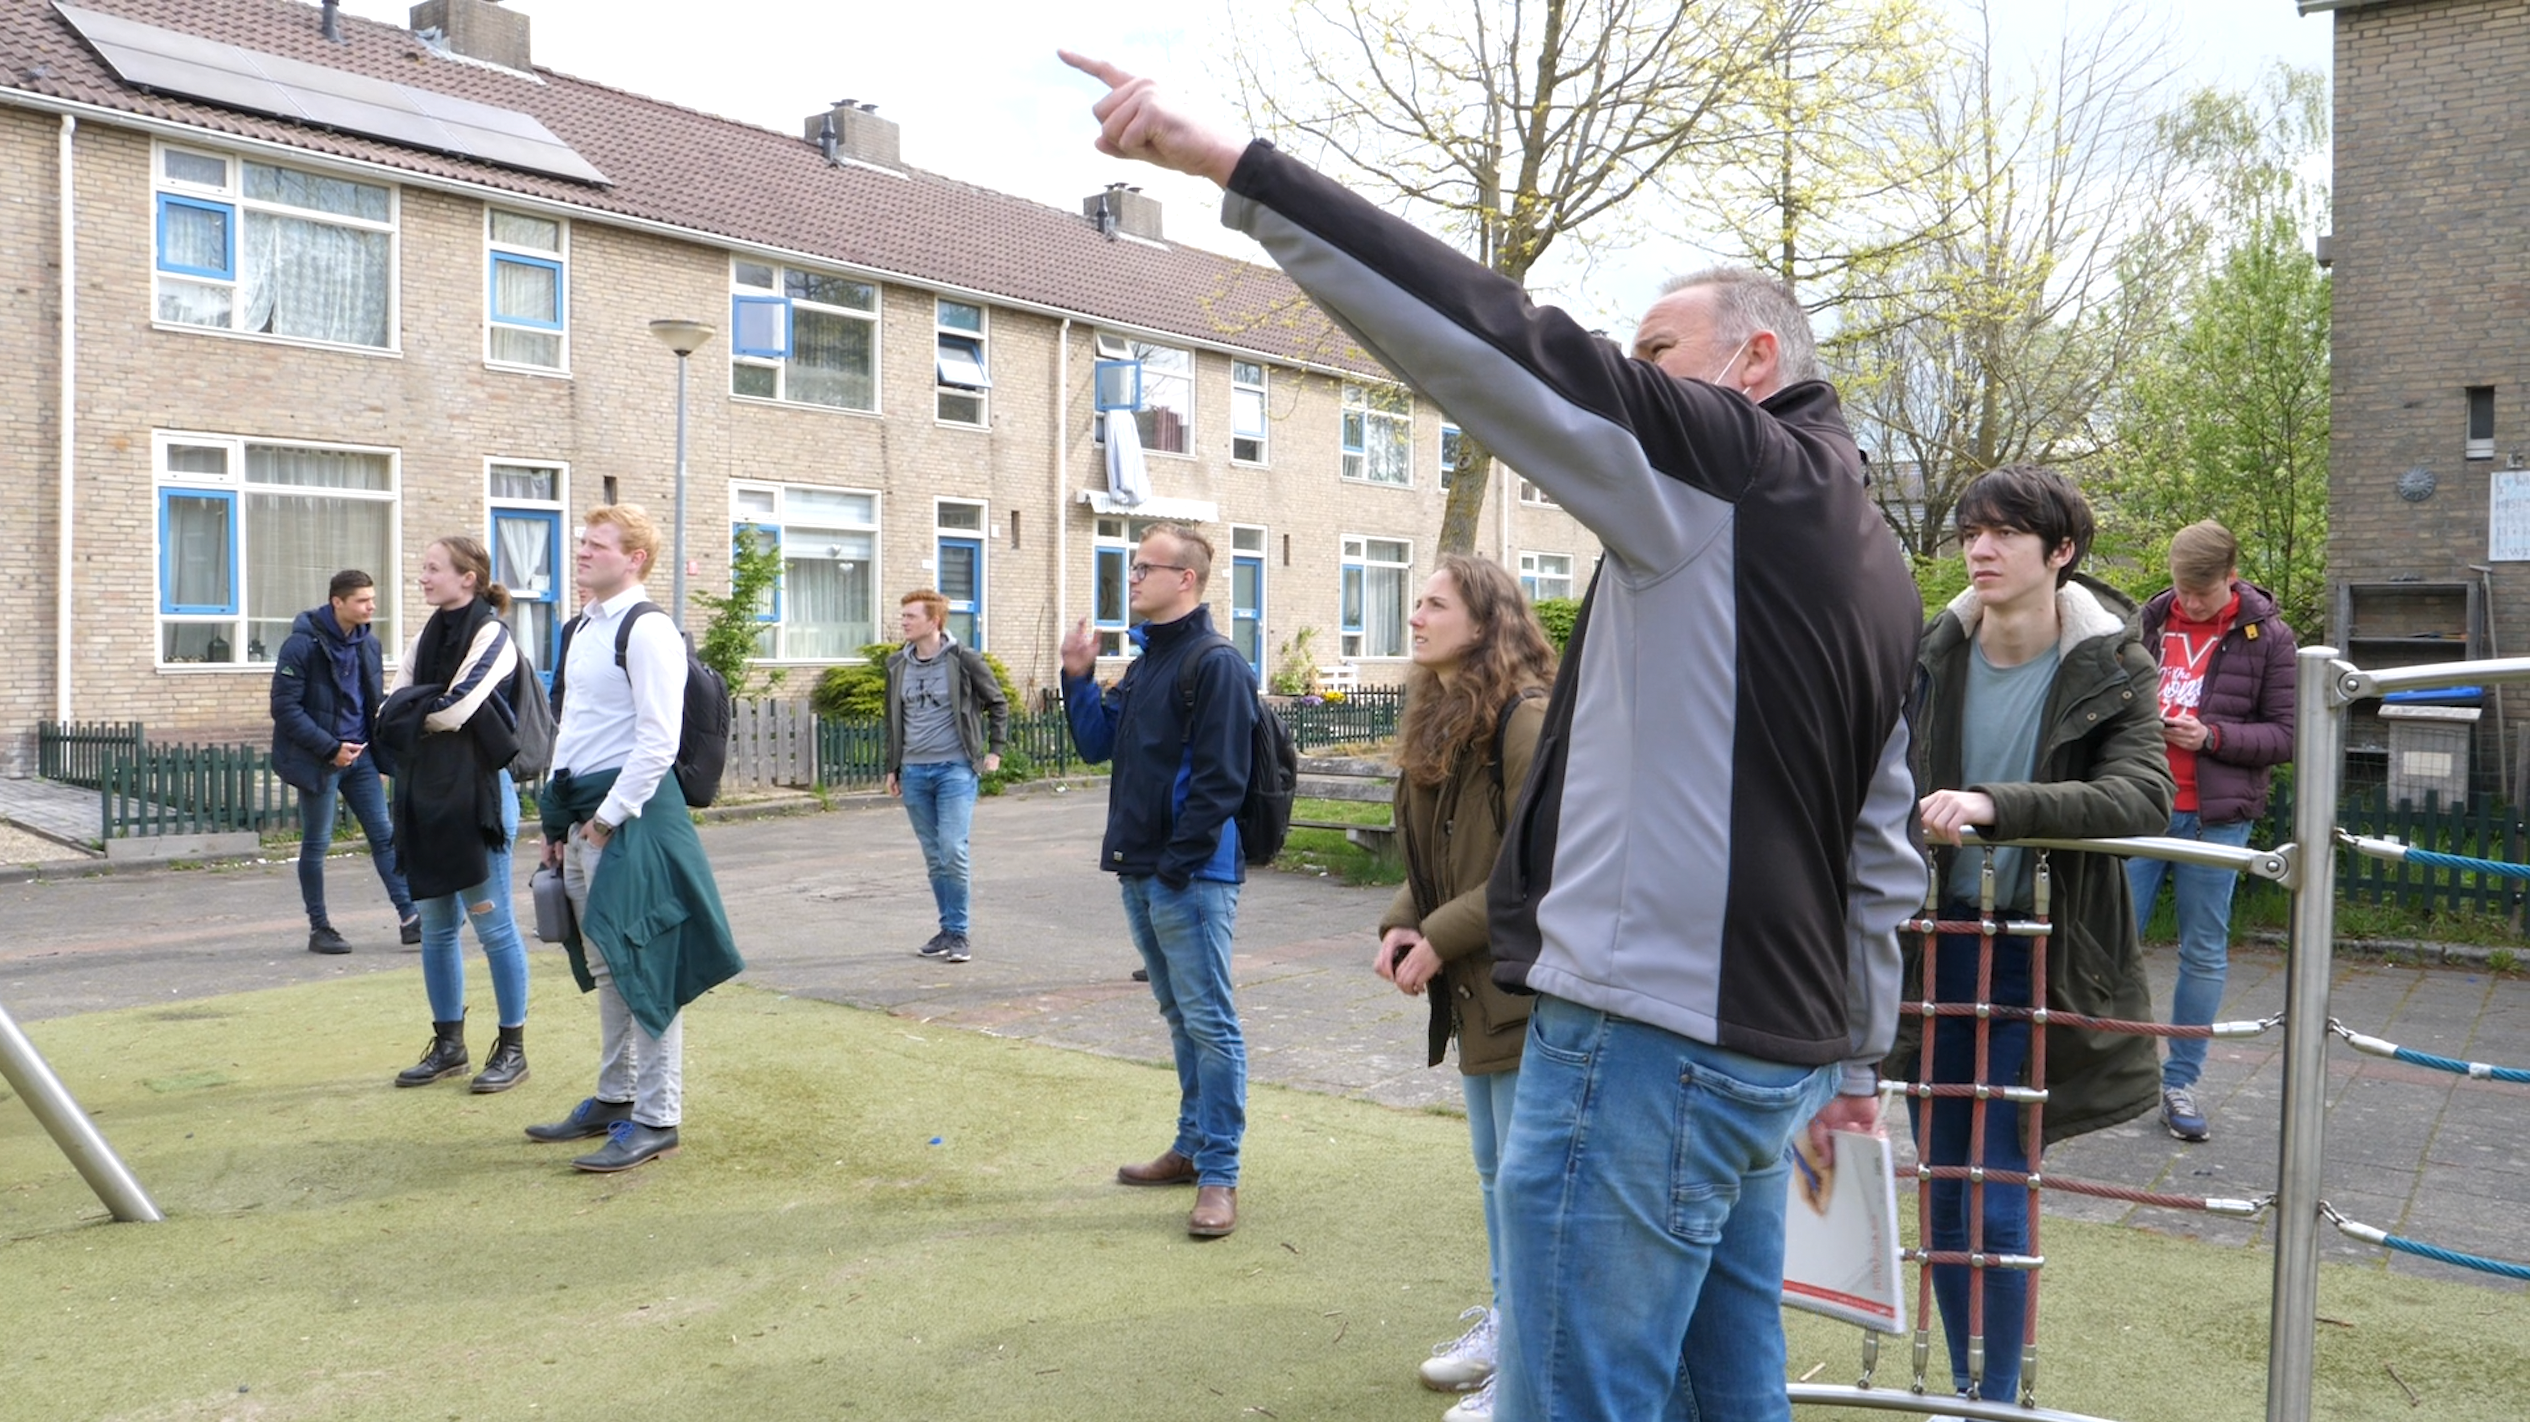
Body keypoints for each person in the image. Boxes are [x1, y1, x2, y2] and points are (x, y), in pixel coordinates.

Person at [1057, 54, 1924, 1420]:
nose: (1636, 387)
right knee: (1724, 1392)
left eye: (1660, 358)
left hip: (1648, 1042)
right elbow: (1877, 838)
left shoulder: (1731, 473)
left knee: (1572, 1394)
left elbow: (1507, 347)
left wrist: (1238, 169)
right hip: (1772, 1049)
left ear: (1751, 364)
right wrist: (1851, 1049)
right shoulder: (1867, 556)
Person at [1900, 466, 2174, 1408]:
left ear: (2061, 553)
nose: (1981, 548)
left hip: (2038, 948)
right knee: (1941, 1178)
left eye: (2007, 533)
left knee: (2000, 1183)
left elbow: (2145, 794)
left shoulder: (2110, 659)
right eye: (1973, 531)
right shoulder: (1932, 650)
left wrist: (1995, 805)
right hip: (1929, 943)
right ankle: (1965, 1383)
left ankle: (1999, 1391)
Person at [1373, 555, 1553, 1422]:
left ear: (1484, 623)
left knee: (1527, 1186)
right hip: (1481, 986)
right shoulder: (1445, 711)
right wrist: (1406, 917)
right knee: (1496, 1174)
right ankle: (1508, 1329)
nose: (1415, 616)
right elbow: (1435, 847)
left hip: (1524, 984)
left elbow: (1537, 865)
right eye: (1417, 601)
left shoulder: (1525, 722)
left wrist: (1438, 938)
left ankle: (1526, 1368)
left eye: (1434, 604)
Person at [528, 505, 743, 1173]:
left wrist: (608, 818)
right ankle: (616, 1097)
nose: (583, 552)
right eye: (583, 543)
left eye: (597, 545)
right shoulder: (584, 626)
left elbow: (658, 740)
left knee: (647, 965)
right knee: (606, 965)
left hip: (631, 819)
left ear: (636, 559)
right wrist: (557, 822)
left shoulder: (647, 631)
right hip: (584, 816)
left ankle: (657, 1116)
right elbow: (574, 729)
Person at [1059, 522, 1256, 1240]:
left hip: (1190, 877)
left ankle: (1220, 1176)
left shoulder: (1216, 663)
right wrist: (1078, 675)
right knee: (1180, 1018)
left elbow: (1222, 781)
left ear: (1188, 580)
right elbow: (1095, 745)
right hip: (1141, 870)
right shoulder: (1147, 663)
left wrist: (1177, 864)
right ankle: (1190, 1145)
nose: (1133, 577)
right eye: (1132, 566)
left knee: (1211, 1024)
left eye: (1146, 567)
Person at [2126, 519, 2297, 1143]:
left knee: (2202, 949)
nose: (2188, 604)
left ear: (2231, 577)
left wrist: (2213, 737)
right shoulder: (2150, 621)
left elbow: (2287, 735)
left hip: (2218, 816)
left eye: (2200, 595)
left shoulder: (2270, 638)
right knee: (2113, 942)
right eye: (2181, 592)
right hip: (2142, 804)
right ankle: (2110, 1070)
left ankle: (2181, 1081)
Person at [374, 536, 533, 1095]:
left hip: (478, 800)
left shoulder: (493, 633)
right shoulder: (424, 636)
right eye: (422, 567)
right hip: (423, 796)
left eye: (432, 568)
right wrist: (418, 708)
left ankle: (512, 1050)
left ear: (468, 578)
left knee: (494, 926)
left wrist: (415, 709)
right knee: (438, 930)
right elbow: (386, 708)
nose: (421, 576)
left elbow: (459, 707)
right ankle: (449, 1047)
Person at [269, 569, 418, 955]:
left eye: (372, 598)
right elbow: (284, 708)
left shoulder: (369, 645)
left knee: (384, 837)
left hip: (362, 758)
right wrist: (329, 748)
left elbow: (369, 701)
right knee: (317, 844)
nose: (372, 606)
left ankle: (410, 918)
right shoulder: (300, 646)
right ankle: (320, 928)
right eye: (363, 600)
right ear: (338, 602)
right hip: (318, 760)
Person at [884, 588, 1011, 965]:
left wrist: (995, 751)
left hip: (955, 768)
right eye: (903, 615)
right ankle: (945, 930)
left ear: (934, 621)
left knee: (953, 848)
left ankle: (958, 932)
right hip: (914, 771)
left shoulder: (964, 660)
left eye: (911, 616)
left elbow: (997, 702)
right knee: (934, 856)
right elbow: (893, 719)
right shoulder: (897, 665)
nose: (903, 621)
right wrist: (893, 767)